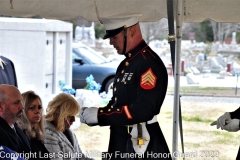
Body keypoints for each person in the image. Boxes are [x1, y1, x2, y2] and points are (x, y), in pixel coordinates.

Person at [80, 13, 171, 159]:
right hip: (122, 141)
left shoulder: (148, 63)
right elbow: (118, 102)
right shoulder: (126, 64)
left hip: (141, 144)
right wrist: (96, 113)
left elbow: (143, 110)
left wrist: (100, 116)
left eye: (114, 37)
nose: (110, 42)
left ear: (132, 31)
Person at [44, 93, 92, 160]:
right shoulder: (48, 135)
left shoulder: (67, 130)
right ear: (58, 114)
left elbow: (80, 157)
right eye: (70, 116)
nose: (74, 120)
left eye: (74, 115)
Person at [17, 90, 50, 160]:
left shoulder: (35, 134)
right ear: (22, 110)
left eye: (39, 107)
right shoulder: (19, 135)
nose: (38, 111)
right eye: (32, 108)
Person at [0, 84, 31, 154]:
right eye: (16, 103)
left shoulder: (15, 126)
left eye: (21, 101)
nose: (22, 107)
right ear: (1, 106)